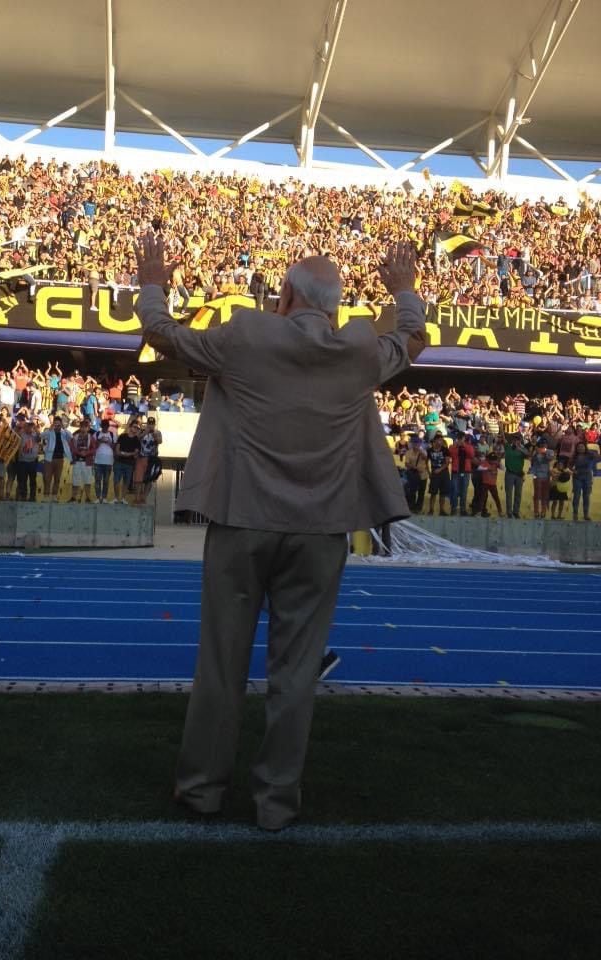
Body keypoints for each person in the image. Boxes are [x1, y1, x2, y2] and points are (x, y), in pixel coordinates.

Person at [135, 233, 424, 831]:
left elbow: (162, 333)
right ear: (336, 305)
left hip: (242, 522)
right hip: (321, 532)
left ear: (286, 292)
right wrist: (403, 290)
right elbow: (413, 338)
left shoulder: (244, 333)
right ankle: (275, 802)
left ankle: (201, 791)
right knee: (296, 673)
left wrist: (154, 279)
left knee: (221, 662)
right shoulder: (360, 348)